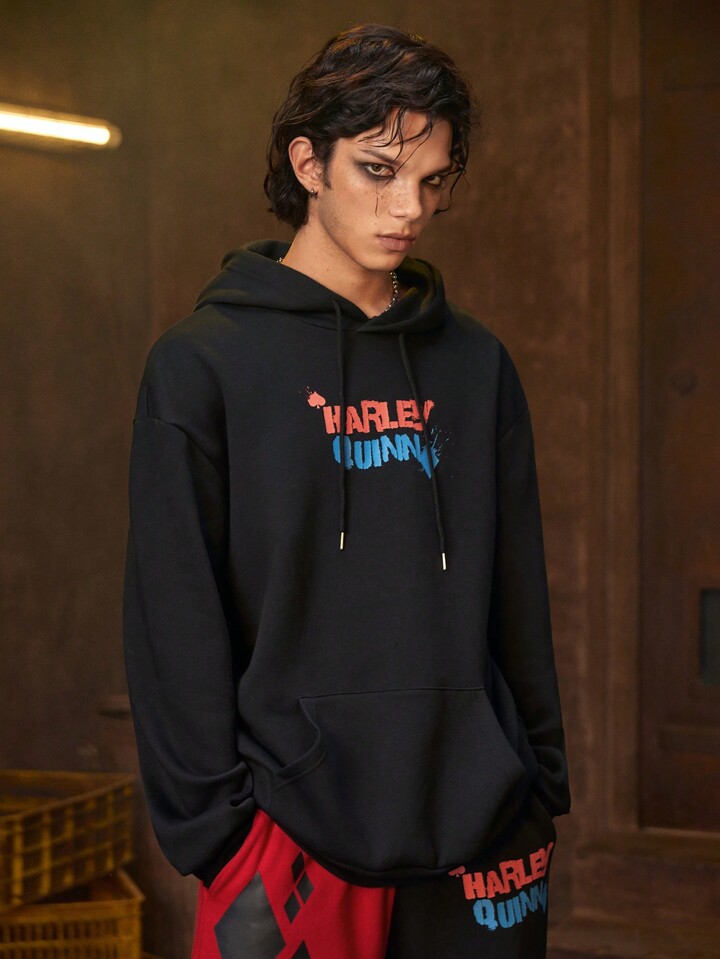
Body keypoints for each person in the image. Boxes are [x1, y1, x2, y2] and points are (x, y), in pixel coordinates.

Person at [123, 23, 570, 959]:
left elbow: (518, 592)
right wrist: (220, 839)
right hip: (285, 839)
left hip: (482, 828)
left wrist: (539, 786)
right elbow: (174, 618)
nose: (409, 208)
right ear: (309, 164)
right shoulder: (203, 367)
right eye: (378, 170)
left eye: (433, 180)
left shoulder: (476, 364)